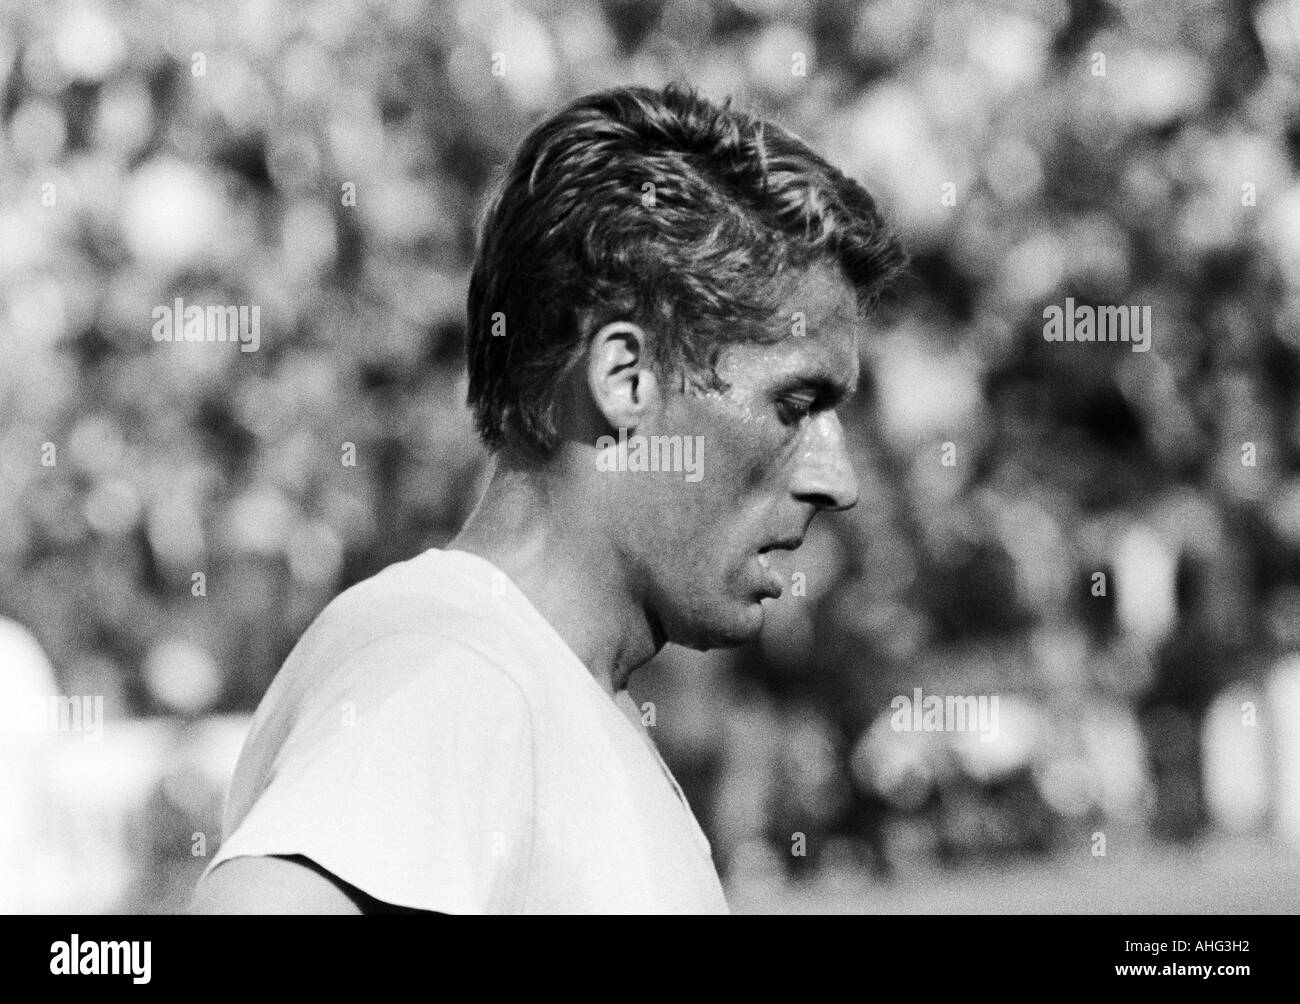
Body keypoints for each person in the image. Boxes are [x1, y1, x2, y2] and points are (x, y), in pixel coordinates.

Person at [191, 82, 905, 914]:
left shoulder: (533, 682)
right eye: (794, 406)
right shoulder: (459, 670)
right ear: (626, 379)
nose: (838, 477)